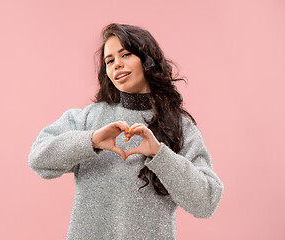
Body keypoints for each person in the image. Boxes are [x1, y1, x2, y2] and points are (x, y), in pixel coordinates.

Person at [28, 23, 224, 240]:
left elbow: (206, 202)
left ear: (147, 59)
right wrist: (91, 141)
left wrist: (160, 155)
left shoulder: (180, 127)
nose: (117, 65)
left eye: (126, 54)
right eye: (109, 61)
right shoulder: (87, 118)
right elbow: (38, 159)